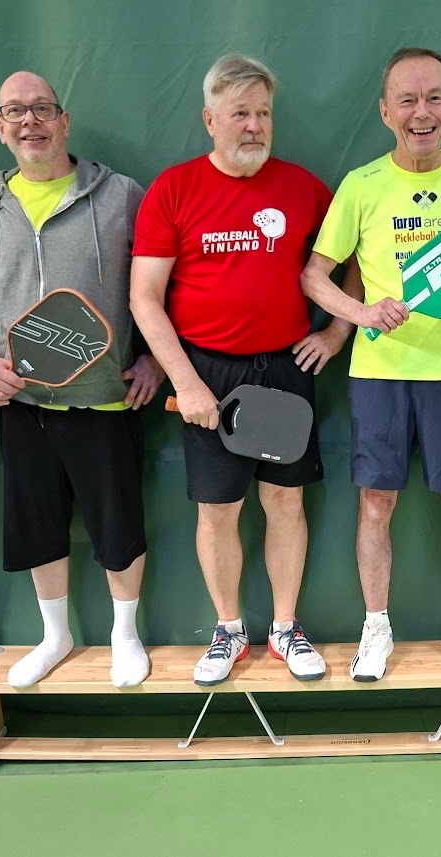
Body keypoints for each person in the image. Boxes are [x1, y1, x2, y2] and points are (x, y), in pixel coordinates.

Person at [131, 54, 356, 686]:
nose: (253, 126)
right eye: (239, 114)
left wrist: (336, 332)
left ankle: (286, 628)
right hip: (207, 374)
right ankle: (229, 631)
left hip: (286, 369)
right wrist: (186, 381)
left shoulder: (305, 188)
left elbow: (353, 259)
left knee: (286, 505)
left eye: (262, 113)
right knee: (218, 510)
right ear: (210, 120)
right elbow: (144, 298)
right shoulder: (173, 190)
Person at [300, 47, 441, 683]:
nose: (422, 112)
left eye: (434, 98)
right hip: (380, 372)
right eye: (408, 100)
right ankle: (376, 628)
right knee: (376, 502)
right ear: (385, 110)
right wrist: (361, 316)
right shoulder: (362, 185)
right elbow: (315, 277)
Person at [0, 72, 158, 689]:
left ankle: (126, 634)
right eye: (15, 111)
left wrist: (150, 359)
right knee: (38, 525)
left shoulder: (122, 196)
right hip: (22, 403)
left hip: (106, 400)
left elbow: (160, 291)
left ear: (64, 121)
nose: (29, 122)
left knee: (117, 524)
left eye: (41, 109)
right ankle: (55, 636)